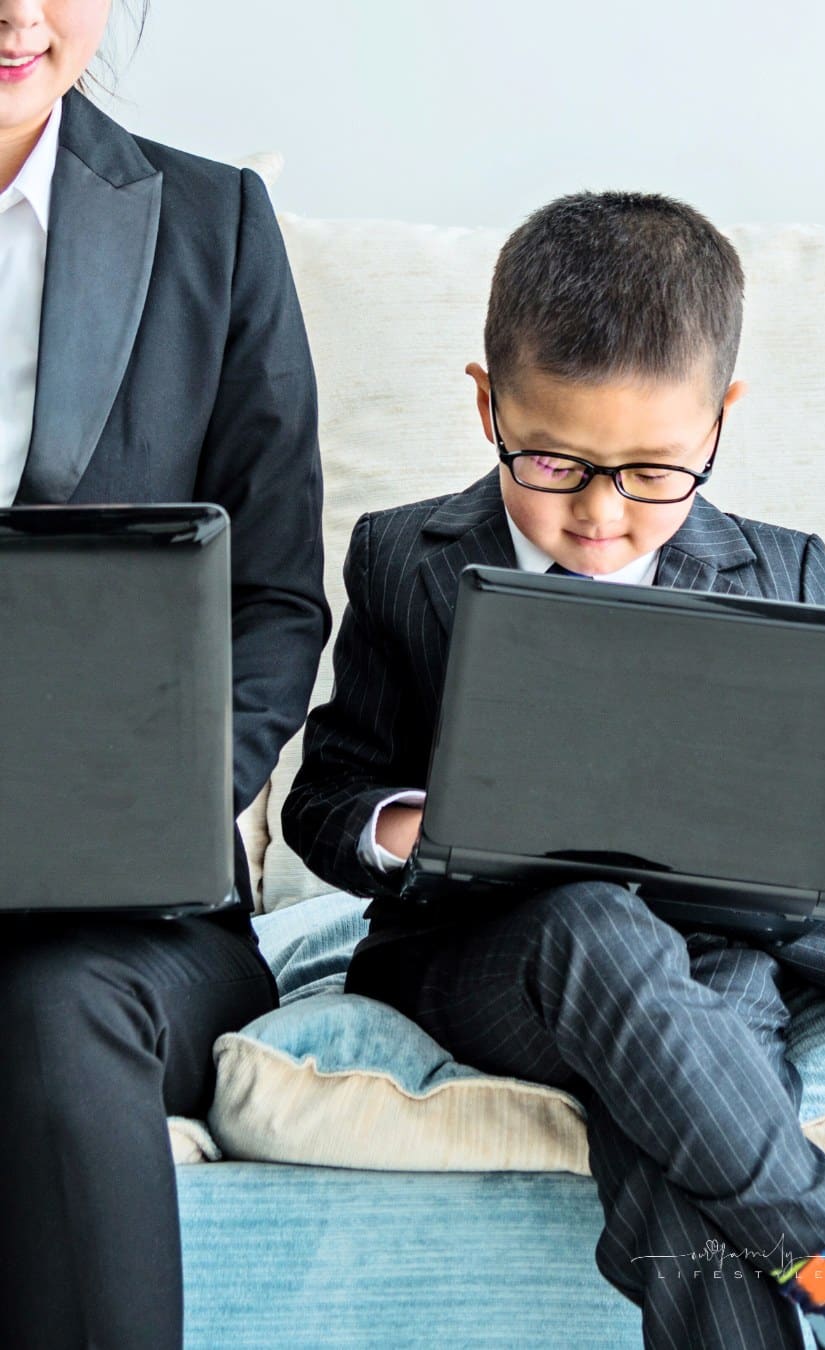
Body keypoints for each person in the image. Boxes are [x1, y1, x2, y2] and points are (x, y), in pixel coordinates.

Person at [284, 190, 825, 1350]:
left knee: (679, 1100)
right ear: (487, 406)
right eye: (556, 464)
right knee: (593, 928)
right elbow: (327, 796)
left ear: (722, 420)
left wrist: (779, 820)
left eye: (654, 472)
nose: (604, 517)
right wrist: (417, 823)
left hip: (714, 952)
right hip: (487, 958)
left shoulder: (781, 569)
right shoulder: (404, 557)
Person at [0, 2, 329, 1347]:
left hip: (124, 914)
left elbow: (278, 598)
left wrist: (168, 799)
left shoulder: (216, 226)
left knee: (56, 1012)